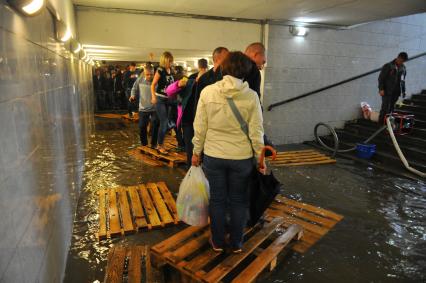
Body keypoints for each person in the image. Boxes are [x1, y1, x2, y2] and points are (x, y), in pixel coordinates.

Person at [192, 51, 265, 253]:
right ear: (246, 70)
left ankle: (216, 241)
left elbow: (200, 127)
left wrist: (196, 151)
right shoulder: (251, 97)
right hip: (241, 158)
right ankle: (236, 243)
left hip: (214, 157)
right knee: (239, 200)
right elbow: (257, 132)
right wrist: (260, 157)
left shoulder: (208, 92)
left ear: (224, 68)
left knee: (217, 199)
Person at [151, 51, 175, 154]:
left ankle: (157, 142)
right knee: (164, 122)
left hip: (168, 99)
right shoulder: (160, 70)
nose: (171, 63)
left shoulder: (171, 70)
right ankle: (159, 145)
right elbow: (153, 85)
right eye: (169, 61)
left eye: (171, 61)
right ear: (165, 61)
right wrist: (153, 97)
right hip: (160, 99)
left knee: (168, 122)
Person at [130, 64, 159, 147]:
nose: (149, 76)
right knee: (142, 127)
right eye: (147, 74)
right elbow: (134, 88)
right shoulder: (140, 80)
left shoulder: (157, 82)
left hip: (155, 108)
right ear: (144, 73)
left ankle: (153, 144)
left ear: (154, 73)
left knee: (155, 126)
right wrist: (132, 95)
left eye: (151, 74)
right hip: (143, 108)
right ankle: (144, 144)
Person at [378, 52, 408, 124]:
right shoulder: (388, 66)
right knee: (385, 108)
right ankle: (380, 124)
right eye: (401, 60)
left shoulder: (403, 68)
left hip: (396, 92)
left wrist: (403, 91)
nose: (402, 62)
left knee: (391, 109)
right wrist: (381, 89)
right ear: (398, 57)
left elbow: (403, 81)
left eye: (403, 61)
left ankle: (388, 125)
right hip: (387, 91)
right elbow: (381, 78)